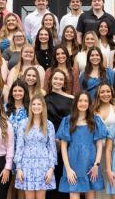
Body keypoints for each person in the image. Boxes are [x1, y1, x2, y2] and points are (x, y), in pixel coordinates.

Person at [56, 92, 108, 198]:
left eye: (85, 101)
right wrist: (68, 169)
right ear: (75, 103)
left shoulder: (95, 121)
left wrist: (96, 165)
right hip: (73, 165)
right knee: (74, 194)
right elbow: (63, 147)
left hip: (90, 164)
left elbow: (99, 145)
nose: (83, 103)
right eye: (80, 100)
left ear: (89, 103)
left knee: (90, 194)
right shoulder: (68, 121)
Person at [14, 96, 58, 198]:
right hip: (26, 165)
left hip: (43, 165)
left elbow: (52, 148)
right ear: (30, 107)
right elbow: (19, 146)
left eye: (39, 104)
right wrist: (19, 168)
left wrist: (51, 168)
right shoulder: (23, 124)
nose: (36, 107)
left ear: (43, 107)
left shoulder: (49, 125)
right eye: (34, 104)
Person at [44, 69, 75, 199]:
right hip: (49, 140)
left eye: (60, 79)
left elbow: (74, 120)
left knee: (64, 172)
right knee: (51, 174)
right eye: (55, 79)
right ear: (50, 81)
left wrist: (62, 138)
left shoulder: (72, 99)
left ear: (64, 82)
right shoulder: (45, 98)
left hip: (67, 139)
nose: (57, 81)